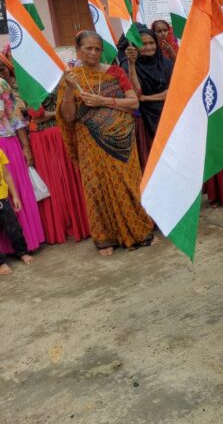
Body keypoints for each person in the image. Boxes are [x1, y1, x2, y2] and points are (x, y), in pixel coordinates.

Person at [57, 31, 155, 256]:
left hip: (122, 140)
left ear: (102, 51)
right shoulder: (72, 78)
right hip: (89, 141)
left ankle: (140, 231)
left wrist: (103, 101)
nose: (92, 53)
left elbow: (133, 103)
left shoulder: (115, 72)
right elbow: (69, 117)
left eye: (97, 49)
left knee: (129, 184)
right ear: (78, 51)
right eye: (87, 48)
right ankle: (106, 238)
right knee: (97, 186)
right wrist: (71, 91)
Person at [27, 90, 90, 245]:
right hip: (49, 136)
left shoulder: (32, 82)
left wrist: (52, 114)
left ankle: (73, 224)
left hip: (52, 135)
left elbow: (37, 114)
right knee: (62, 181)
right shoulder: (54, 77)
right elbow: (37, 114)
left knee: (62, 181)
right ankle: (79, 223)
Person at [0, 76, 44, 257]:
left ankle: (24, 244)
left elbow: (13, 115)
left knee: (15, 191)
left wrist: (25, 146)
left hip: (7, 143)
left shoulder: (1, 83)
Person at [122, 27, 174, 170]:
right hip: (145, 120)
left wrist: (148, 98)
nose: (149, 47)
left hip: (168, 116)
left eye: (152, 43)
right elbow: (136, 94)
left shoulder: (166, 64)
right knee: (153, 161)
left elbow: (174, 91)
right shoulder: (128, 65)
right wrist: (132, 65)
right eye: (143, 44)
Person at [0, 148, 33, 275]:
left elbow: (7, 175)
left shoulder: (0, 152)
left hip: (2, 199)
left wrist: (15, 196)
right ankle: (1, 263)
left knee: (13, 228)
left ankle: (22, 252)